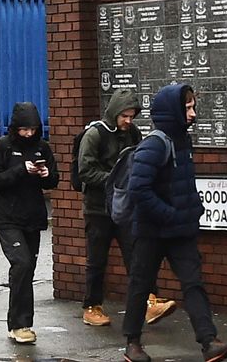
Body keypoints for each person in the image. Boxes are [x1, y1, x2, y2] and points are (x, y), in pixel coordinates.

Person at [121, 83, 227, 362]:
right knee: (141, 285)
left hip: (180, 230)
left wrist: (193, 210)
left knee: (193, 283)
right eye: (187, 108)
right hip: (151, 230)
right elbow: (139, 190)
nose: (193, 114)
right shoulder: (154, 144)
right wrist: (170, 214)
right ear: (172, 110)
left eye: (193, 107)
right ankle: (132, 344)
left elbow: (182, 184)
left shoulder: (183, 141)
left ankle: (209, 342)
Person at [78, 88, 175, 328]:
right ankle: (92, 307)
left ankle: (149, 302)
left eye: (132, 116)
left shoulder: (133, 132)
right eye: (124, 116)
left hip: (126, 208)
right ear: (114, 113)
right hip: (98, 208)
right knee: (97, 260)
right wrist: (115, 179)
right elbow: (85, 170)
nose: (128, 121)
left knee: (139, 256)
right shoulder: (95, 134)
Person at [0, 101, 58, 345]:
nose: (28, 134)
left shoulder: (42, 148)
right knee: (22, 263)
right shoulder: (2, 147)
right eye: (24, 130)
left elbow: (53, 180)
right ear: (15, 128)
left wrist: (47, 176)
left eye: (33, 129)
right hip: (7, 216)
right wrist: (20, 170)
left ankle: (20, 322)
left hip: (32, 217)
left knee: (27, 271)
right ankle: (19, 324)